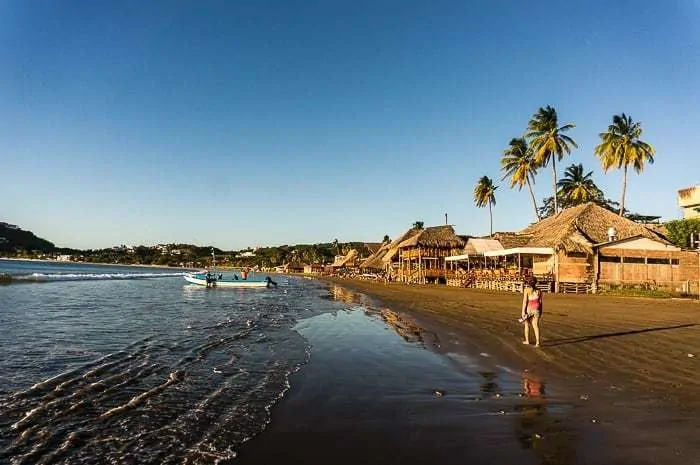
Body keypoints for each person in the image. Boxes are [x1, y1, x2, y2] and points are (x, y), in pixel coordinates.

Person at [521, 276, 543, 347]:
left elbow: (525, 301)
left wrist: (523, 312)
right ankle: (538, 343)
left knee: (527, 325)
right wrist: (540, 311)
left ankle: (527, 340)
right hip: (537, 309)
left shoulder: (526, 290)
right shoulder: (539, 291)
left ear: (528, 283)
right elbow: (540, 302)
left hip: (529, 309)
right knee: (536, 326)